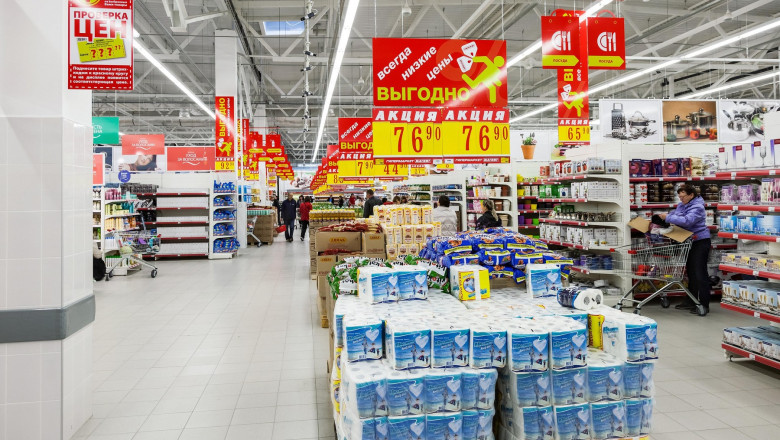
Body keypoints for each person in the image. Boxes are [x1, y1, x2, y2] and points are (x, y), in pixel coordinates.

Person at [657, 183, 712, 315]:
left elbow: (687, 221)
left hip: (700, 241)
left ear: (691, 195)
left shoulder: (698, 207)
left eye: (683, 197)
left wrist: (668, 217)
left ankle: (704, 304)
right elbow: (677, 216)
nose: (681, 199)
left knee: (700, 274)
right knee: (691, 273)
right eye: (679, 197)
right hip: (689, 242)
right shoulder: (683, 204)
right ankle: (691, 301)